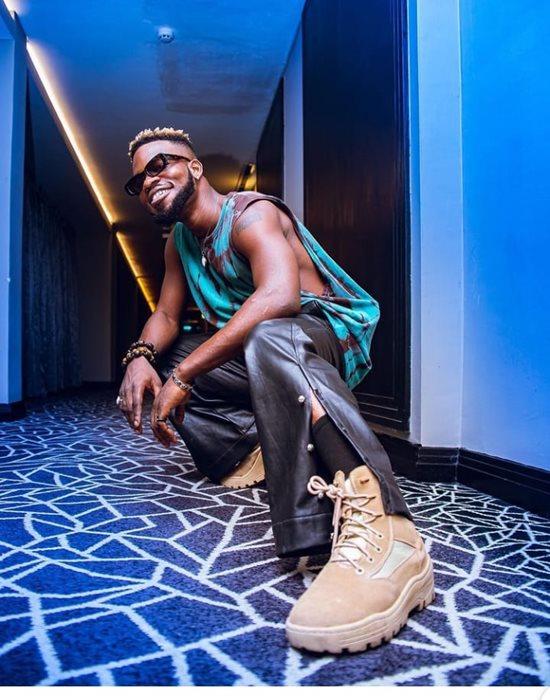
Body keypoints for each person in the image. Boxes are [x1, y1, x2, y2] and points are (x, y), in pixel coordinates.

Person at [117, 127, 434, 654]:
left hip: (318, 335)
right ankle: (252, 447)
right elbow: (167, 316)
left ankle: (390, 530)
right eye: (137, 181)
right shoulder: (179, 243)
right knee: (168, 355)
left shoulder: (251, 214)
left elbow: (280, 297)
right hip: (260, 348)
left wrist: (184, 376)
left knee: (260, 336)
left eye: (160, 165)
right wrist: (141, 357)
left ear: (194, 167)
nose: (149, 181)